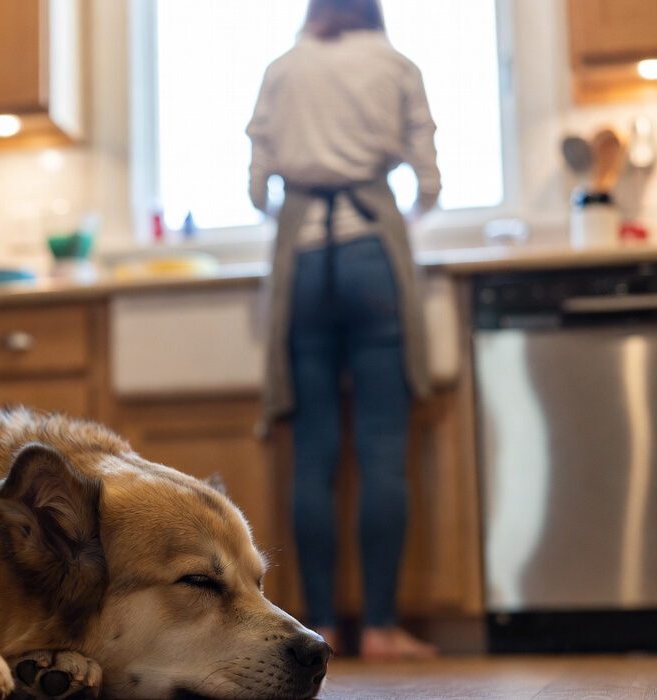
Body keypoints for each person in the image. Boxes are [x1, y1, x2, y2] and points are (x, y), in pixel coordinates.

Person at [246, 0, 440, 660]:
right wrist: (405, 215)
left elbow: (256, 185)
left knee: (314, 454)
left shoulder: (283, 69)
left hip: (302, 259)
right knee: (384, 449)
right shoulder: (396, 64)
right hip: (372, 256)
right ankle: (383, 628)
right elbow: (429, 177)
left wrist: (285, 197)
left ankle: (322, 625)